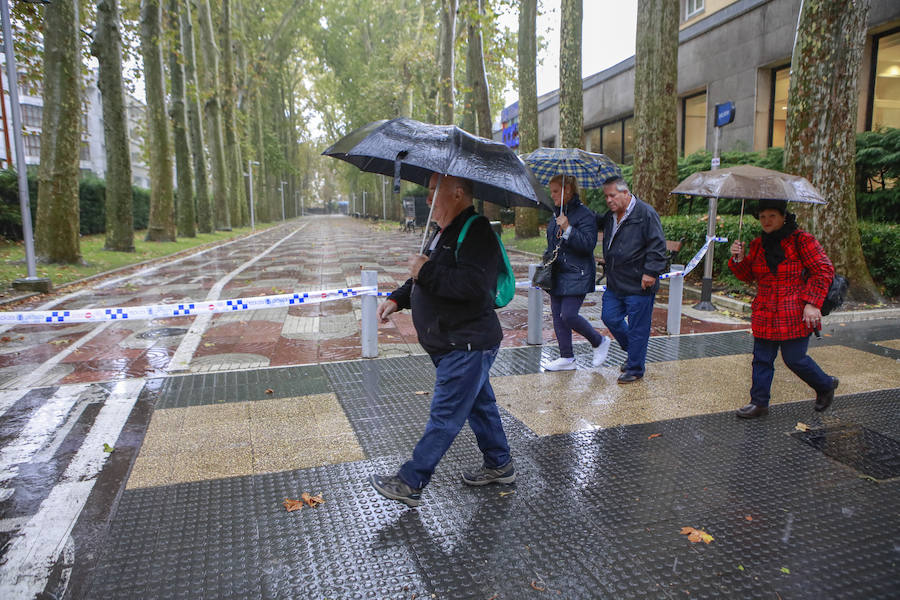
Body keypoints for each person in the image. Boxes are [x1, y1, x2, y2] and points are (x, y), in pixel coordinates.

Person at [370, 173, 514, 507]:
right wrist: (398, 297)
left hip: (466, 343)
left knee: (446, 414)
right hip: (455, 342)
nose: (428, 198)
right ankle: (500, 464)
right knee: (480, 405)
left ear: (458, 194)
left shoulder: (477, 232)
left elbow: (475, 291)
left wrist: (425, 271)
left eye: (435, 191)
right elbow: (426, 279)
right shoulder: (444, 232)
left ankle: (410, 481)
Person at [728, 199, 838, 418]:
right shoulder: (758, 244)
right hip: (765, 311)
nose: (767, 221)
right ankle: (759, 403)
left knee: (795, 359)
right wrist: (738, 259)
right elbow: (749, 275)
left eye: (772, 216)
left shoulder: (802, 240)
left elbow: (823, 270)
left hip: (794, 311)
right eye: (762, 217)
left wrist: (812, 303)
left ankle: (825, 385)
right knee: (761, 359)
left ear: (783, 216)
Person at [597, 176, 667, 383]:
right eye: (606, 196)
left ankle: (635, 368)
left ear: (626, 193)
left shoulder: (645, 213)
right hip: (616, 282)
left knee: (638, 327)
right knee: (609, 317)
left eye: (612, 195)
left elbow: (657, 245)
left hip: (639, 283)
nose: (609, 200)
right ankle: (635, 350)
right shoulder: (611, 216)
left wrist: (651, 272)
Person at [541, 174, 611, 371]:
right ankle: (566, 357)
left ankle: (599, 341)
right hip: (557, 272)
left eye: (556, 191)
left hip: (577, 273)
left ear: (568, 190)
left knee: (568, 315)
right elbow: (553, 243)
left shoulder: (584, 214)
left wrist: (568, 228)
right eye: (551, 191)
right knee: (557, 315)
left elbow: (588, 244)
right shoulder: (556, 214)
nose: (552, 195)